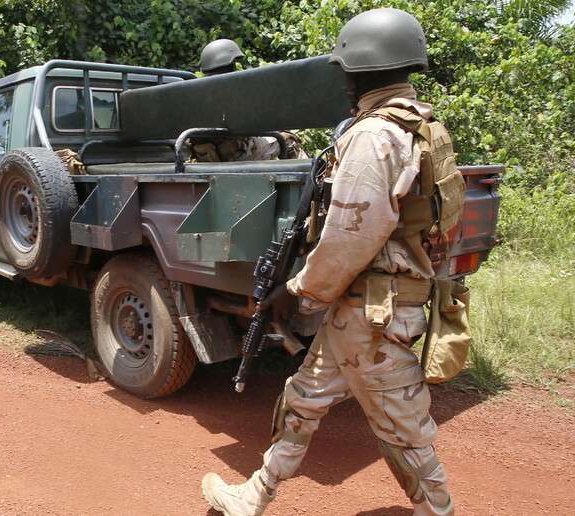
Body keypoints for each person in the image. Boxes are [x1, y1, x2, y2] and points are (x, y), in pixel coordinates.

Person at [201, 8, 462, 516]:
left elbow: (349, 238)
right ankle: (254, 495)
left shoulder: (374, 136)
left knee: (404, 431)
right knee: (304, 397)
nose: (342, 79)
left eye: (346, 69)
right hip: (365, 307)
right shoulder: (422, 126)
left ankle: (438, 509)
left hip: (372, 315)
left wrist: (297, 291)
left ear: (363, 67)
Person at [191, 39, 308, 162]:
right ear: (228, 64)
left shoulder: (196, 93)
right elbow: (252, 122)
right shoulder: (230, 89)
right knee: (288, 139)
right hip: (238, 154)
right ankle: (311, 173)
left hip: (206, 157)